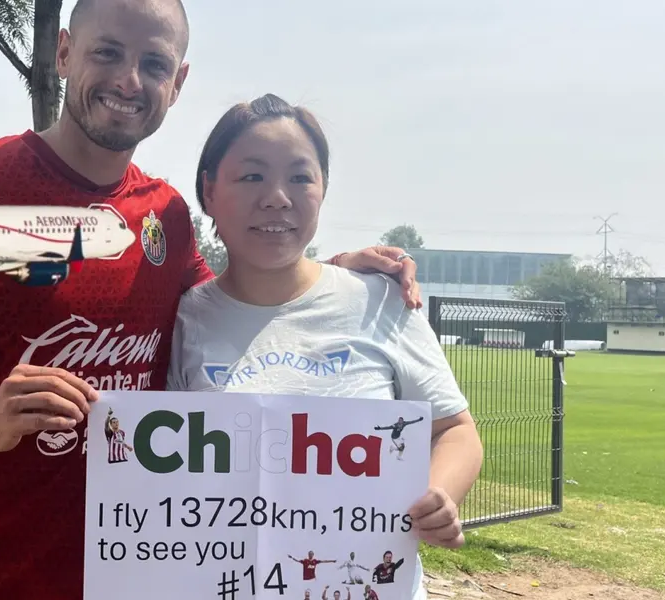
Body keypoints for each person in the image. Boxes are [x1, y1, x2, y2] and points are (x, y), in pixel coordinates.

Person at [0, 1, 423, 598]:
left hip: (140, 577)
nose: (129, 81)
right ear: (63, 53)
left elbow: (231, 301)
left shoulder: (166, 215)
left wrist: (326, 275)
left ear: (178, 82)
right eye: (107, 52)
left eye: (155, 64)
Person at [165, 92, 484, 600]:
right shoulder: (184, 319)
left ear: (323, 189)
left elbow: (456, 430)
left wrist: (441, 493)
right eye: (251, 176)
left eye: (299, 177)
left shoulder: (382, 299)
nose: (276, 197)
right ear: (209, 191)